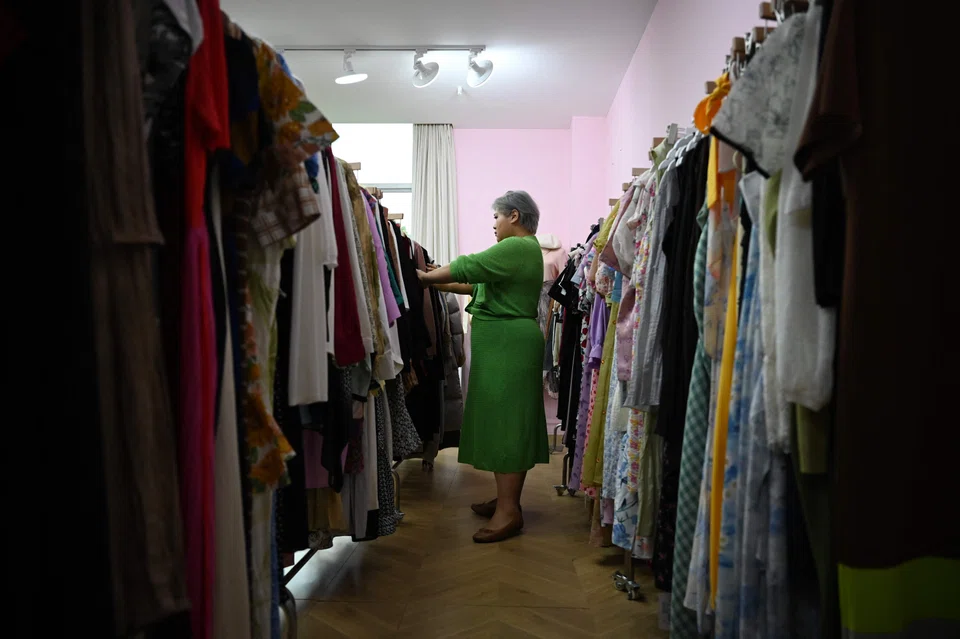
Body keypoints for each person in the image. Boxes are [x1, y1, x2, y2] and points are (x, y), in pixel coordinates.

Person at [418, 190, 550, 543]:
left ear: (514, 216)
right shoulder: (522, 252)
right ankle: (506, 501)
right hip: (506, 346)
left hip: (509, 347)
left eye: (496, 217)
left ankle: (510, 511)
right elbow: (473, 281)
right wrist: (435, 278)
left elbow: (470, 265)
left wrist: (424, 278)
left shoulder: (518, 247)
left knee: (506, 423)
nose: (494, 225)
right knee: (502, 421)